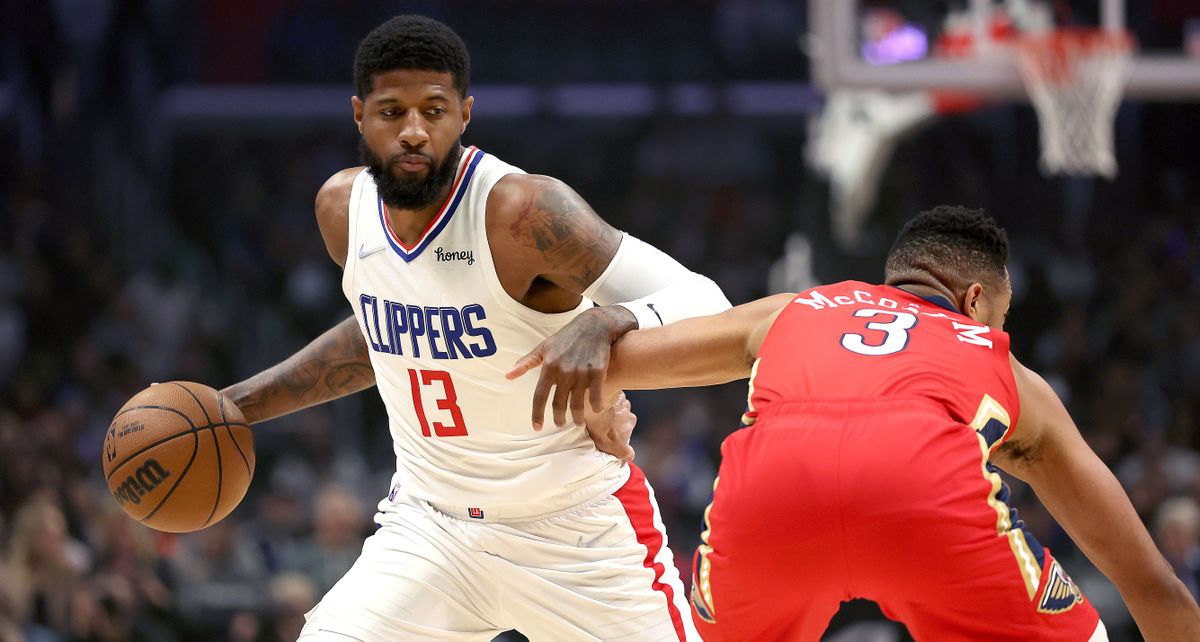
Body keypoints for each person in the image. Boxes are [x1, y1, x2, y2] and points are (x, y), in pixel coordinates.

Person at [218, 14, 730, 642]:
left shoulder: (523, 212)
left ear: (464, 115)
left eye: (433, 110)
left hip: (573, 531)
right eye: (391, 111)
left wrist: (608, 320)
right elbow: (385, 336)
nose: (413, 131)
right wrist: (233, 406)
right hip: (430, 527)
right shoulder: (342, 212)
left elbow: (708, 302)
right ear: (358, 115)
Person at [515, 206, 1200, 640]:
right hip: (923, 498)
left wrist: (606, 358)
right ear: (974, 300)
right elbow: (1155, 588)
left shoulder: (795, 307)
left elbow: (598, 363)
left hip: (769, 499)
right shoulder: (1008, 369)